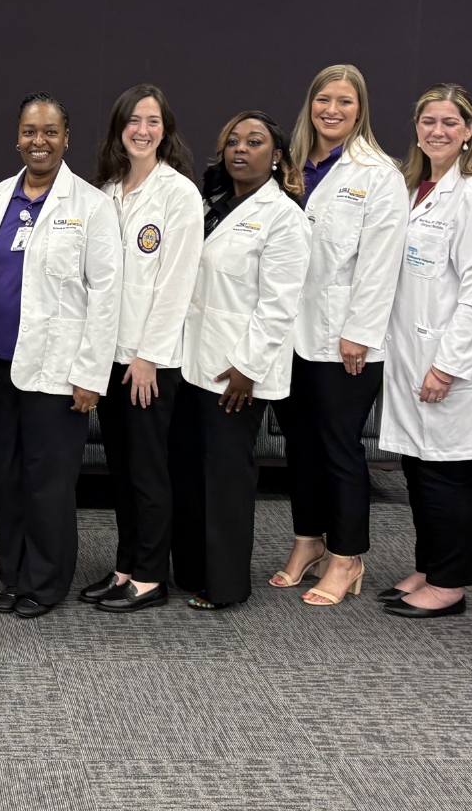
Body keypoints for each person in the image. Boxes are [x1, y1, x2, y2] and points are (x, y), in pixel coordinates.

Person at [0, 92, 120, 619]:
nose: (40, 141)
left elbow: (107, 297)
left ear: (66, 139)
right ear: (17, 137)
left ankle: (46, 581)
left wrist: (90, 376)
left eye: (50, 132)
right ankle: (13, 575)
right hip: (1, 365)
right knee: (8, 476)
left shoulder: (91, 207)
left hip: (60, 371)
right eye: (30, 131)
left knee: (49, 481)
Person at [272, 64, 406, 607]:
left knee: (338, 448)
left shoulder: (378, 174)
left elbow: (381, 263)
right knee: (298, 446)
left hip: (344, 339)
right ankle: (309, 541)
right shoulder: (290, 166)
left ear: (360, 110)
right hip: (289, 333)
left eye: (345, 102)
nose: (332, 110)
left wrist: (360, 332)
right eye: (324, 99)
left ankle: (348, 556)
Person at [170, 112, 309, 610]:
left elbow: (279, 304)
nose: (240, 149)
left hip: (236, 374)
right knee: (189, 473)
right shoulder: (212, 204)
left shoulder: (285, 217)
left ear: (276, 155)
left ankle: (226, 585)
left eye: (254, 142)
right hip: (191, 363)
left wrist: (248, 368)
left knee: (226, 481)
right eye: (232, 141)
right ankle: (188, 570)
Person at [375, 84, 472, 619]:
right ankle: (429, 566)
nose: (438, 131)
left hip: (448, 359)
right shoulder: (413, 186)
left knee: (448, 474)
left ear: (469, 130)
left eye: (451, 122)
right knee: (417, 470)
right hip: (409, 353)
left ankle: (450, 583)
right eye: (429, 121)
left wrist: (448, 365)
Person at [82, 85, 203, 614]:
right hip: (107, 358)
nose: (142, 130)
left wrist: (148, 355)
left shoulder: (178, 195)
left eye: (153, 121)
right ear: (118, 128)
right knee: (123, 471)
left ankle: (152, 576)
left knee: (149, 472)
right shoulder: (106, 190)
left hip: (147, 363)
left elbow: (177, 284)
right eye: (133, 120)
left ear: (166, 130)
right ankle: (126, 566)